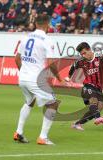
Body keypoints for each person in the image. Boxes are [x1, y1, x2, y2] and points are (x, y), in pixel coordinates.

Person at [14, 14, 62, 145]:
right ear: (47, 25)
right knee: (53, 103)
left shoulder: (25, 38)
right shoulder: (47, 40)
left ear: (35, 24)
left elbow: (17, 59)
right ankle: (43, 137)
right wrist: (59, 78)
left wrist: (24, 73)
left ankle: (18, 132)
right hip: (35, 79)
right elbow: (51, 63)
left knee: (29, 102)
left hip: (22, 78)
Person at [65, 42, 103, 131]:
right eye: (81, 54)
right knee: (94, 101)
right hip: (87, 87)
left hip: (98, 88)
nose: (83, 56)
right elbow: (73, 66)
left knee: (98, 108)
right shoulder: (81, 61)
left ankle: (77, 124)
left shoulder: (99, 58)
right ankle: (98, 118)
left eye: (84, 53)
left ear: (89, 49)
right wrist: (69, 77)